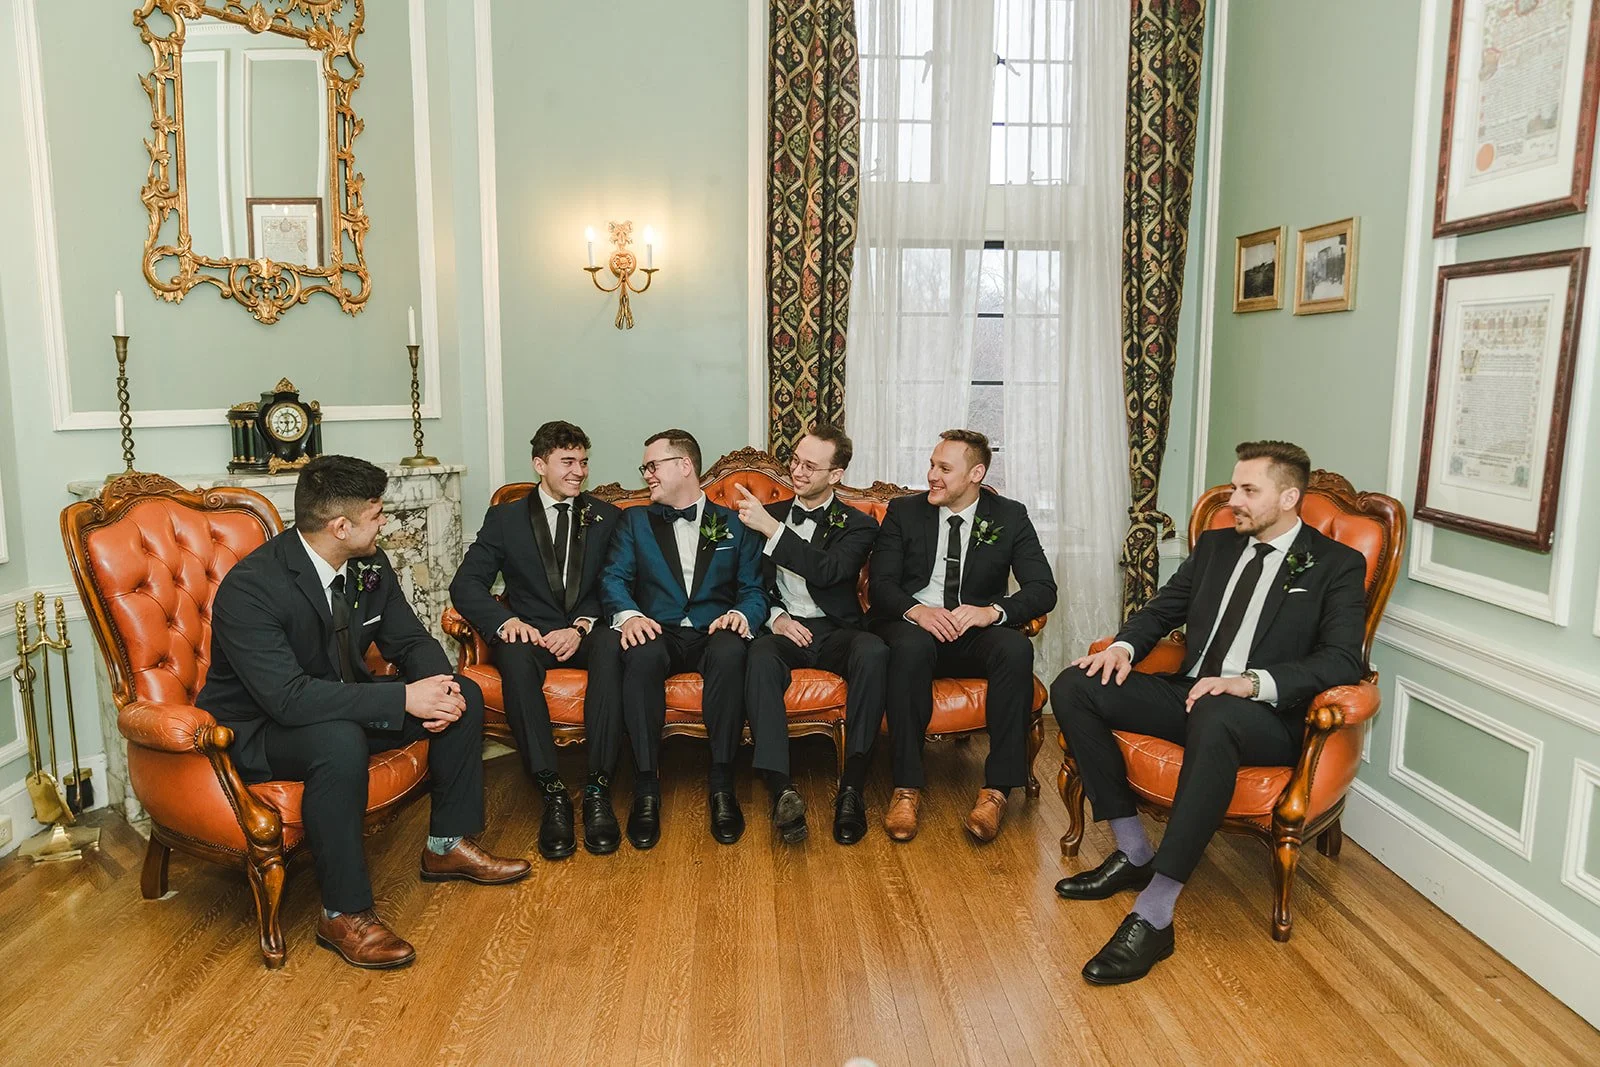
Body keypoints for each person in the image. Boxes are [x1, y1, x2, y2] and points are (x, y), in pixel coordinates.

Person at [1051, 440, 1366, 984]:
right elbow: (1161, 611)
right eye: (1233, 487)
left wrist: (1248, 684)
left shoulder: (1336, 564)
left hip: (1263, 715)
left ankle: (1155, 912)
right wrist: (1122, 649)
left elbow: (1340, 660)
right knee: (1076, 683)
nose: (1233, 499)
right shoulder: (1218, 546)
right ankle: (1132, 850)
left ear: (1289, 496)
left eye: (1249, 490)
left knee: (1218, 708)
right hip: (1190, 692)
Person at [198, 455, 529, 970]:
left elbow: (409, 638)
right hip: (262, 730)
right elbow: (287, 697)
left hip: (340, 706)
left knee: (462, 695)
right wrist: (401, 698)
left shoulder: (368, 565)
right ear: (340, 526)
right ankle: (343, 913)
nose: (385, 523)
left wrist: (437, 685)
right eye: (377, 515)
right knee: (338, 740)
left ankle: (446, 844)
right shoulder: (251, 588)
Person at [868, 429, 1057, 843]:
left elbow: (1043, 588)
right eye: (932, 464)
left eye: (943, 468)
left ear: (976, 473)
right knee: (910, 647)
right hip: (915, 626)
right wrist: (918, 611)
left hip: (972, 630)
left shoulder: (1009, 515)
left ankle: (996, 791)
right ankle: (906, 788)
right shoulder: (904, 512)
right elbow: (880, 584)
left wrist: (991, 612)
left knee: (1015, 648)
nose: (931, 475)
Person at [449, 420, 624, 860]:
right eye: (568, 462)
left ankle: (599, 789)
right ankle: (553, 793)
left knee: (611, 646)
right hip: (529, 634)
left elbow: (620, 583)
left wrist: (582, 625)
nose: (579, 472)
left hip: (586, 632)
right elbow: (467, 584)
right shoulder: (505, 519)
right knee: (515, 658)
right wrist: (505, 623)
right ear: (539, 464)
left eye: (583, 462)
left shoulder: (607, 516)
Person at [599, 429, 767, 847]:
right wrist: (630, 615)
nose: (647, 475)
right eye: (646, 468)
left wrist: (739, 615)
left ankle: (723, 785)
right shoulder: (634, 520)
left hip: (715, 629)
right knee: (638, 654)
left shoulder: (733, 523)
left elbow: (754, 591)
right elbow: (613, 578)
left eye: (652, 466)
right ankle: (646, 788)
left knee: (731, 653)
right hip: (659, 628)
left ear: (684, 466)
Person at [732, 425, 887, 845]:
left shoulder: (858, 524)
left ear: (835, 475)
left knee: (873, 651)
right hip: (784, 628)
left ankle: (852, 787)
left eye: (809, 466)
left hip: (836, 630)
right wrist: (777, 616)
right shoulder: (769, 514)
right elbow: (749, 581)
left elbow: (831, 572)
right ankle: (781, 788)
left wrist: (773, 531)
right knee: (759, 656)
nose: (796, 472)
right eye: (795, 461)